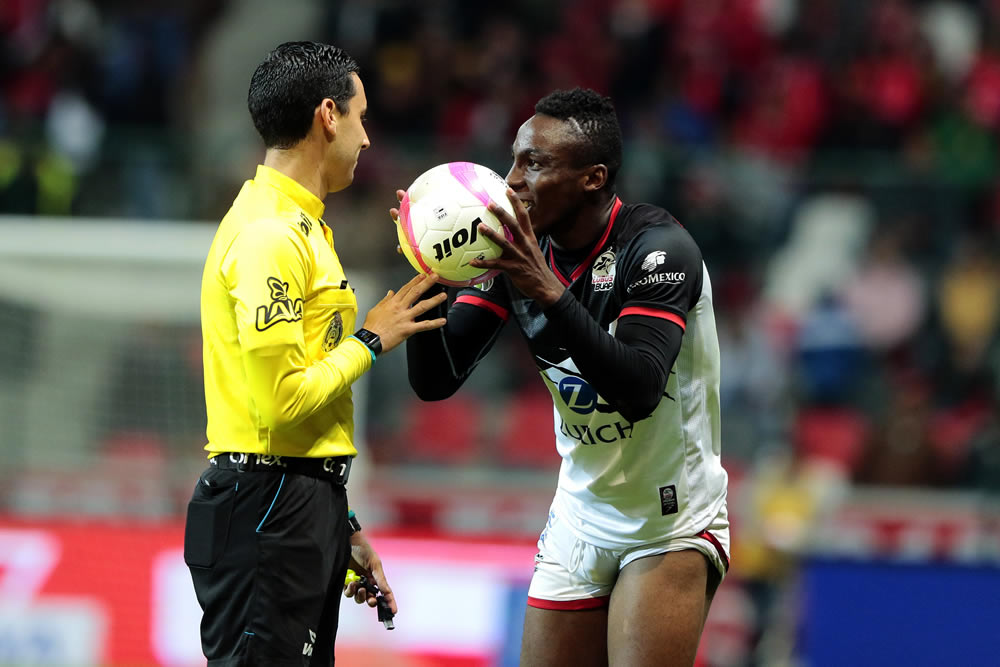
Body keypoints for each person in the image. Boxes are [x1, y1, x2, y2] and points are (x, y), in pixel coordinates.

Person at [402, 88, 729, 666]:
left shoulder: (660, 249)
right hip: (579, 517)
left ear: (593, 178)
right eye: (513, 159)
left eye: (535, 163)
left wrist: (545, 289)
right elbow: (438, 380)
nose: (512, 181)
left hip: (671, 520)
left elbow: (637, 389)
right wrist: (431, 275)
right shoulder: (519, 255)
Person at [184, 41, 447, 666]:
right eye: (361, 116)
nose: (367, 138)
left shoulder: (301, 225)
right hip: (265, 504)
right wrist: (371, 340)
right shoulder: (270, 236)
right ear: (328, 115)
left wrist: (341, 521)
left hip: (296, 500)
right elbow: (279, 403)